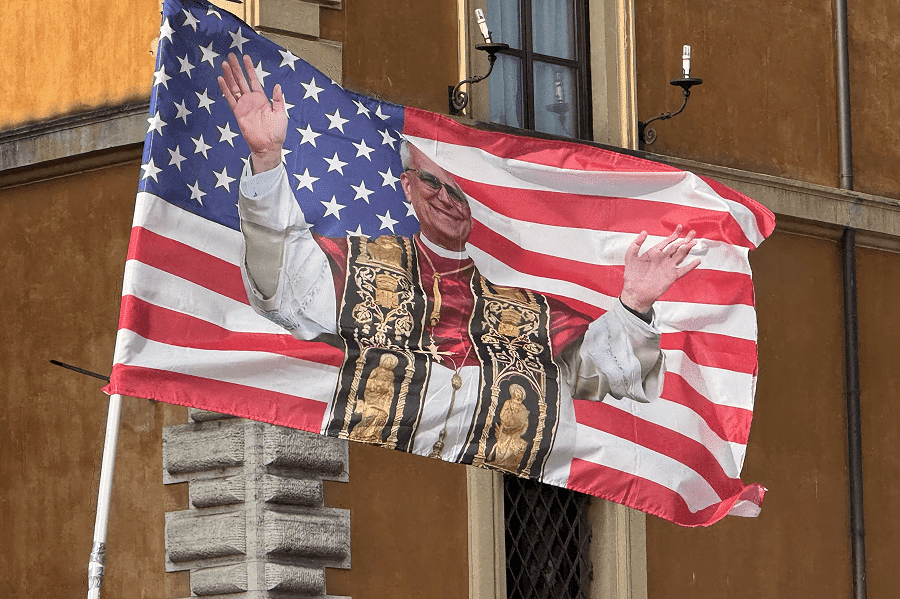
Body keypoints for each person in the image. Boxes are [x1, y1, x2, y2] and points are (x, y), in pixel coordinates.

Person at [218, 54, 700, 480]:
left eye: (459, 190)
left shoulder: (529, 305)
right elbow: (282, 283)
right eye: (431, 181)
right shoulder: (360, 263)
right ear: (407, 186)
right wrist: (266, 159)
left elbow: (603, 371)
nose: (445, 197)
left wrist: (635, 301)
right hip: (376, 480)